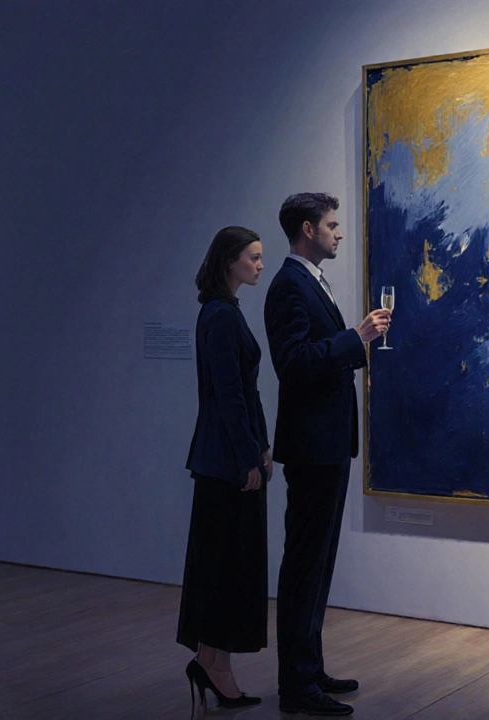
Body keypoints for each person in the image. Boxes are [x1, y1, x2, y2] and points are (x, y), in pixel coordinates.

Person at [264, 193, 389, 717]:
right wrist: (354, 338)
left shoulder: (310, 281)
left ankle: (309, 671)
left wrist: (350, 341)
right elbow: (293, 365)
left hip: (328, 445)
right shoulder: (289, 286)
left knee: (317, 565)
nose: (339, 233)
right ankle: (297, 686)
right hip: (314, 449)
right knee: (304, 566)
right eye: (332, 225)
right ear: (307, 229)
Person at [177, 226, 270, 712]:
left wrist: (263, 446)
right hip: (224, 462)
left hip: (227, 456)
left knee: (226, 566)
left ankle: (214, 662)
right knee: (226, 566)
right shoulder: (220, 316)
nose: (259, 265)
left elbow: (242, 394)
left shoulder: (225, 313)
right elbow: (229, 396)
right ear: (230, 261)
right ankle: (215, 664)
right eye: (253, 257)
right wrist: (247, 459)